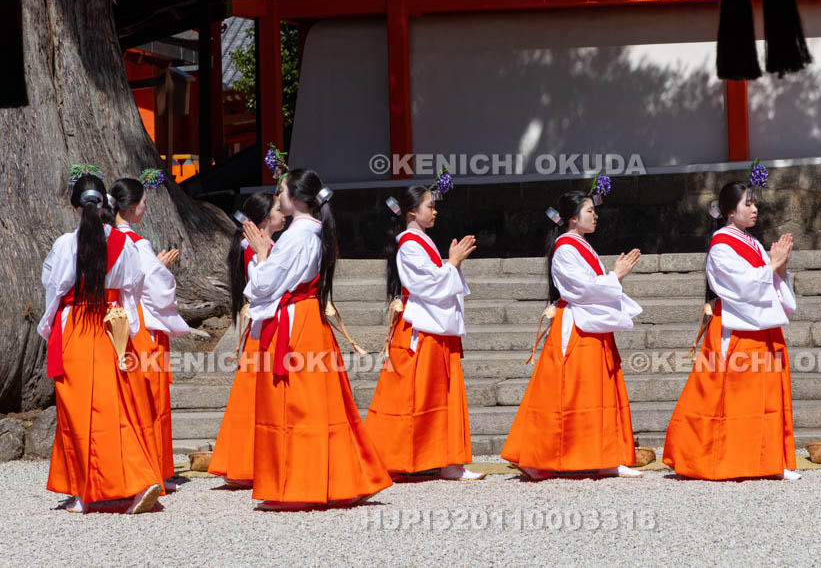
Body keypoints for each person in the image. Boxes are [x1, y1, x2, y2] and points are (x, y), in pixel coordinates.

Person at [243, 168, 392, 509]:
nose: (277, 195)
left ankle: (296, 487)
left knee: (295, 407)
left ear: (295, 197)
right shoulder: (314, 231)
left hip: (295, 325)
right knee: (323, 404)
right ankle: (344, 479)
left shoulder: (296, 236)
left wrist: (262, 256)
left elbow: (264, 285)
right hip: (309, 319)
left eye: (281, 189)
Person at [662, 171, 800, 481]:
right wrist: (772, 267)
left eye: (755, 204)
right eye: (747, 204)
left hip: (760, 325)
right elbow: (738, 285)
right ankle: (722, 458)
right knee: (735, 398)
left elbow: (766, 280)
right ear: (729, 211)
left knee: (764, 397)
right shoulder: (722, 245)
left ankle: (768, 460)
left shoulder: (750, 242)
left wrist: (779, 268)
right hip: (737, 327)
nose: (754, 209)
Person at [502, 179, 644, 480]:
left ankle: (607, 457)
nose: (595, 216)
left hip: (589, 325)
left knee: (597, 391)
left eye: (594, 211)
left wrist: (612, 278)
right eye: (589, 211)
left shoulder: (578, 245)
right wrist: (614, 276)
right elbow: (579, 289)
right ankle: (536, 457)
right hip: (578, 328)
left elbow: (589, 287)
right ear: (572, 218)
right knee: (568, 393)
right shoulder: (567, 248)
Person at [40, 169, 162, 514]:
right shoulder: (123, 243)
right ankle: (137, 480)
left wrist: (49, 327)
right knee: (119, 409)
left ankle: (84, 491)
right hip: (111, 325)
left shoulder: (66, 243)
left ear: (76, 205)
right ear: (106, 203)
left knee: (77, 414)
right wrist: (130, 332)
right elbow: (132, 288)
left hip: (76, 326)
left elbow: (53, 288)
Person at [364, 173, 485, 481]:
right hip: (423, 328)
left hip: (434, 326)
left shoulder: (419, 242)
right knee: (414, 396)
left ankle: (448, 461)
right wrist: (452, 264)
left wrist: (450, 264)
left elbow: (434, 281)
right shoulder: (410, 245)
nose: (435, 211)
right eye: (429, 206)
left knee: (438, 394)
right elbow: (426, 284)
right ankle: (399, 458)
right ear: (412, 212)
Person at [109, 173, 190, 491]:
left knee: (124, 393)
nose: (145, 206)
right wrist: (160, 268)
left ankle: (125, 464)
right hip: (140, 322)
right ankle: (154, 467)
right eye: (143, 201)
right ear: (132, 208)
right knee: (151, 395)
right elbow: (157, 288)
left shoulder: (102, 237)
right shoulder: (136, 244)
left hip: (111, 319)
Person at [208, 192, 285, 488]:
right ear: (265, 218)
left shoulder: (262, 247)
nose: (283, 212)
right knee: (254, 397)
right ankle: (247, 462)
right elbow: (262, 285)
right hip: (262, 327)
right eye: (278, 209)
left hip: (265, 324)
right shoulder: (254, 250)